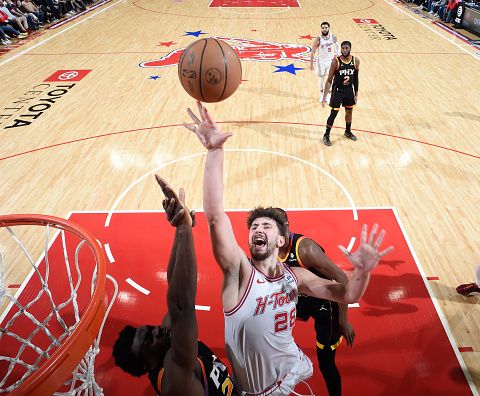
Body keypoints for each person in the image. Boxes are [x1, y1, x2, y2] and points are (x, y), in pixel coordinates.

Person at [183, 101, 393, 395]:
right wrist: (215, 152)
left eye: (266, 226)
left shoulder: (297, 277)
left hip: (290, 376)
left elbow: (349, 293)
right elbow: (216, 215)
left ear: (281, 240)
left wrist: (363, 270)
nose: (258, 229)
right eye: (254, 227)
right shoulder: (239, 272)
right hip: (256, 389)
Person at [112, 175, 234, 396]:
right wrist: (186, 229)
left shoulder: (167, 341)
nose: (157, 330)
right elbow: (183, 305)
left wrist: (179, 227)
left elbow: (174, 286)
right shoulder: (175, 376)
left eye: (149, 329)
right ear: (148, 365)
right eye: (149, 340)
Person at [274, 208, 355, 396]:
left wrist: (343, 319)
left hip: (326, 305)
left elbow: (342, 278)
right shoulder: (270, 247)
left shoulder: (306, 249)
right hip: (301, 299)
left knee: (325, 363)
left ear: (287, 226)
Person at [321, 41, 360, 147]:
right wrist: (324, 97)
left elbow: (356, 79)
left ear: (350, 48)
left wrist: (356, 94)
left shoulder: (355, 61)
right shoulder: (336, 62)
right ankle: (326, 135)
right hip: (337, 91)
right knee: (333, 114)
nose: (344, 50)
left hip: (349, 91)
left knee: (349, 112)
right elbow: (329, 80)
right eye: (343, 48)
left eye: (346, 48)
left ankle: (347, 131)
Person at [310, 21, 338, 103]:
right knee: (321, 79)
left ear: (329, 28)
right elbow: (313, 51)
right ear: (321, 29)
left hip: (330, 61)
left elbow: (337, 46)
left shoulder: (333, 37)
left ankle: (328, 95)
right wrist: (311, 64)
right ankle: (321, 95)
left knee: (330, 79)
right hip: (321, 62)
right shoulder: (318, 38)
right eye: (323, 28)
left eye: (326, 27)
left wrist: (337, 56)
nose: (324, 29)